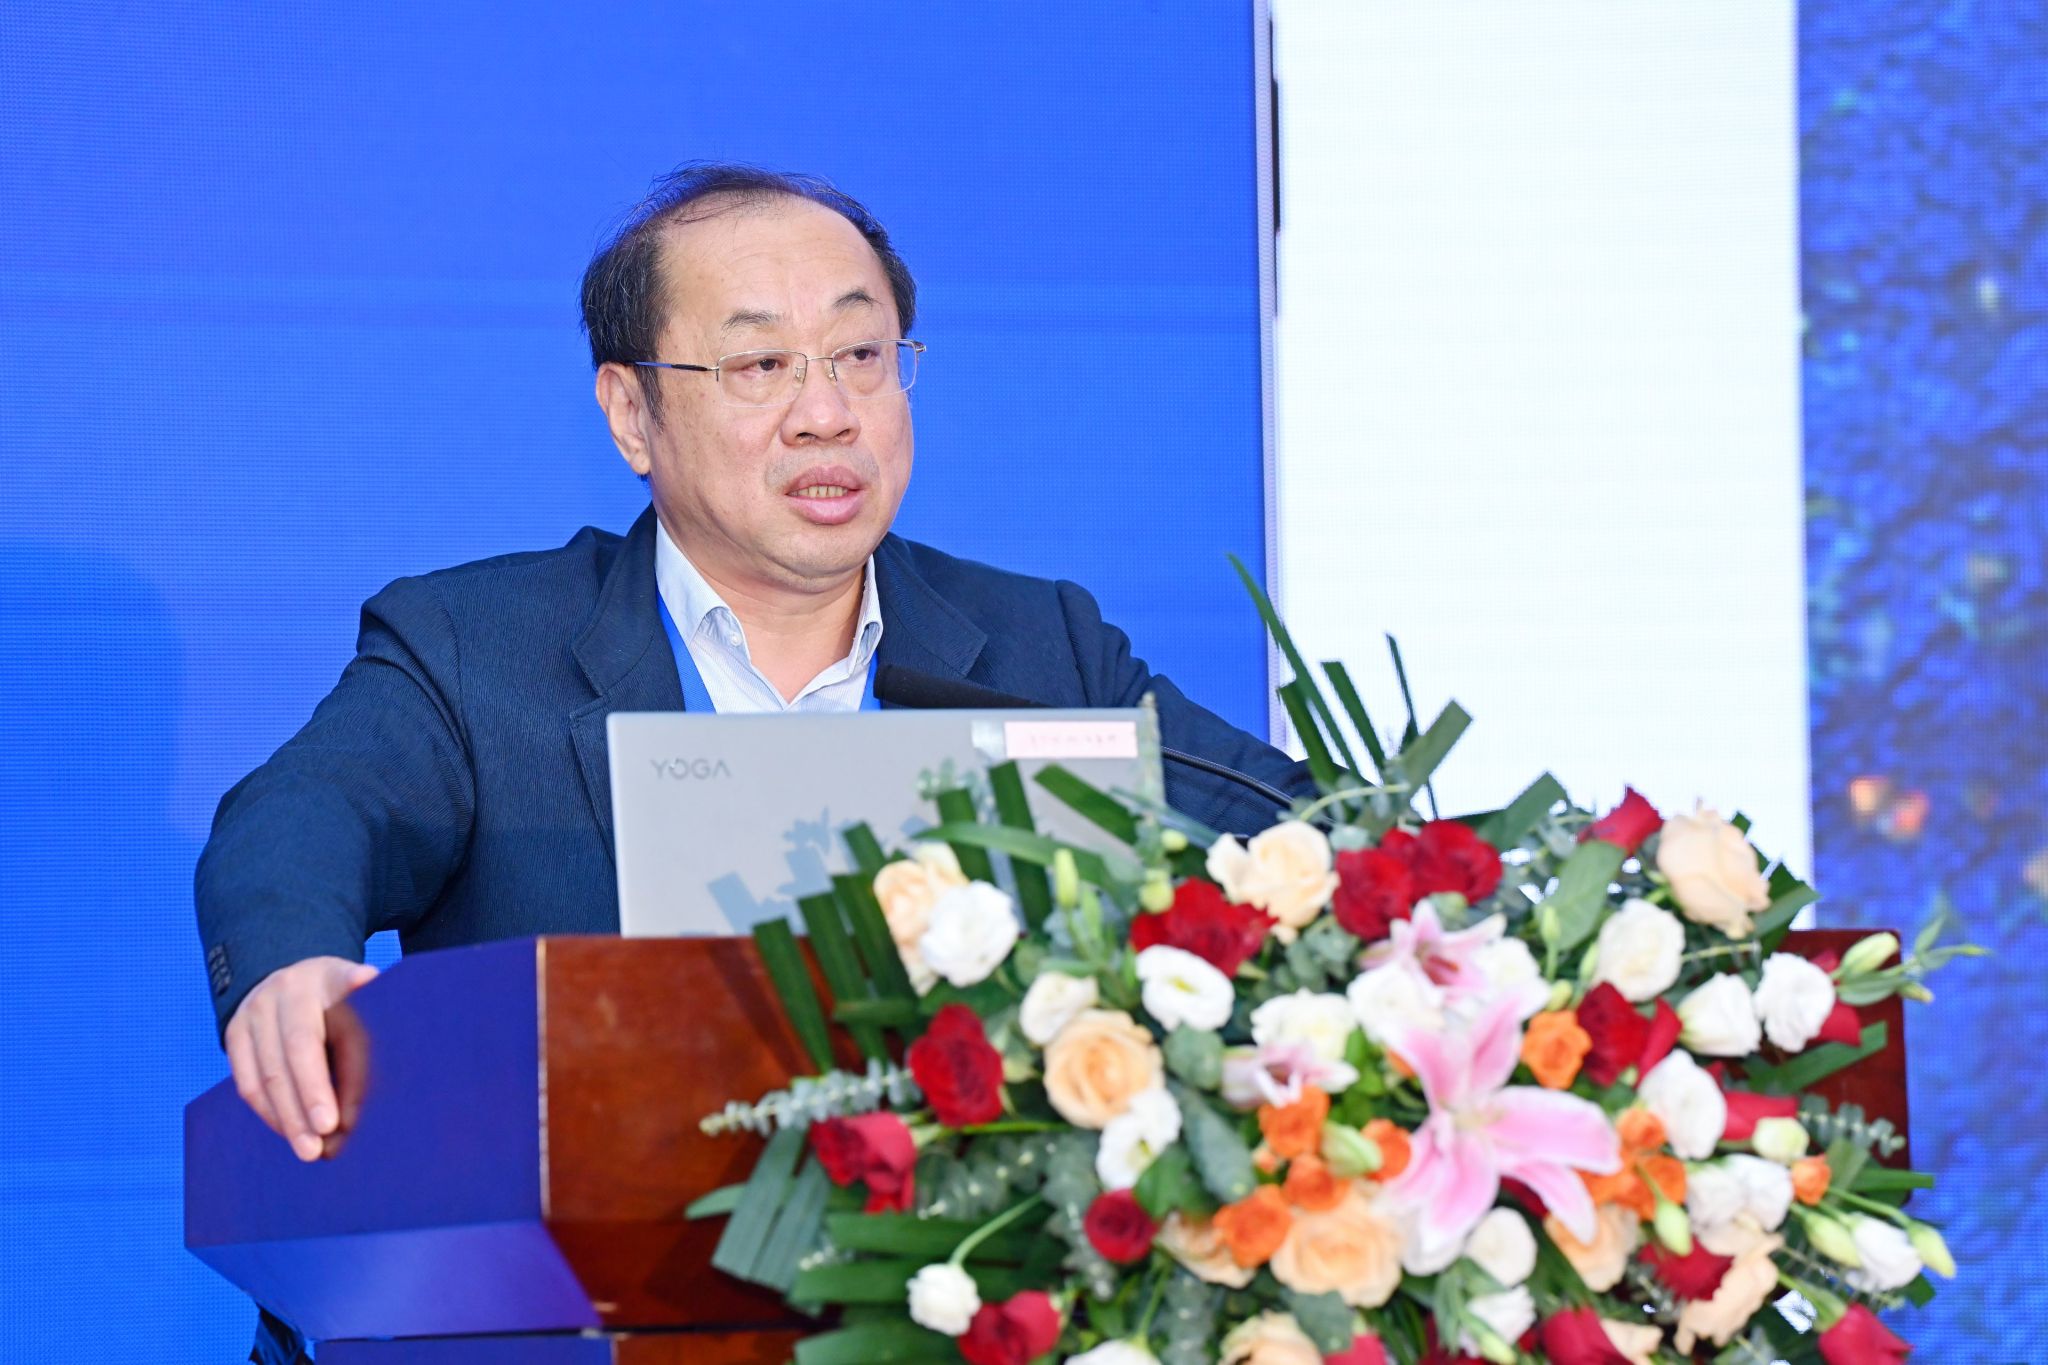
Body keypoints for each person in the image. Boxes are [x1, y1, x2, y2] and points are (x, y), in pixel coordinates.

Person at [195, 163, 1309, 1177]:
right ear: (631, 413)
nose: (826, 415)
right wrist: (291, 967)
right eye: (761, 364)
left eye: (860, 356)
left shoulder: (1038, 647)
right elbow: (306, 812)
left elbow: (1298, 838)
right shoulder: (473, 646)